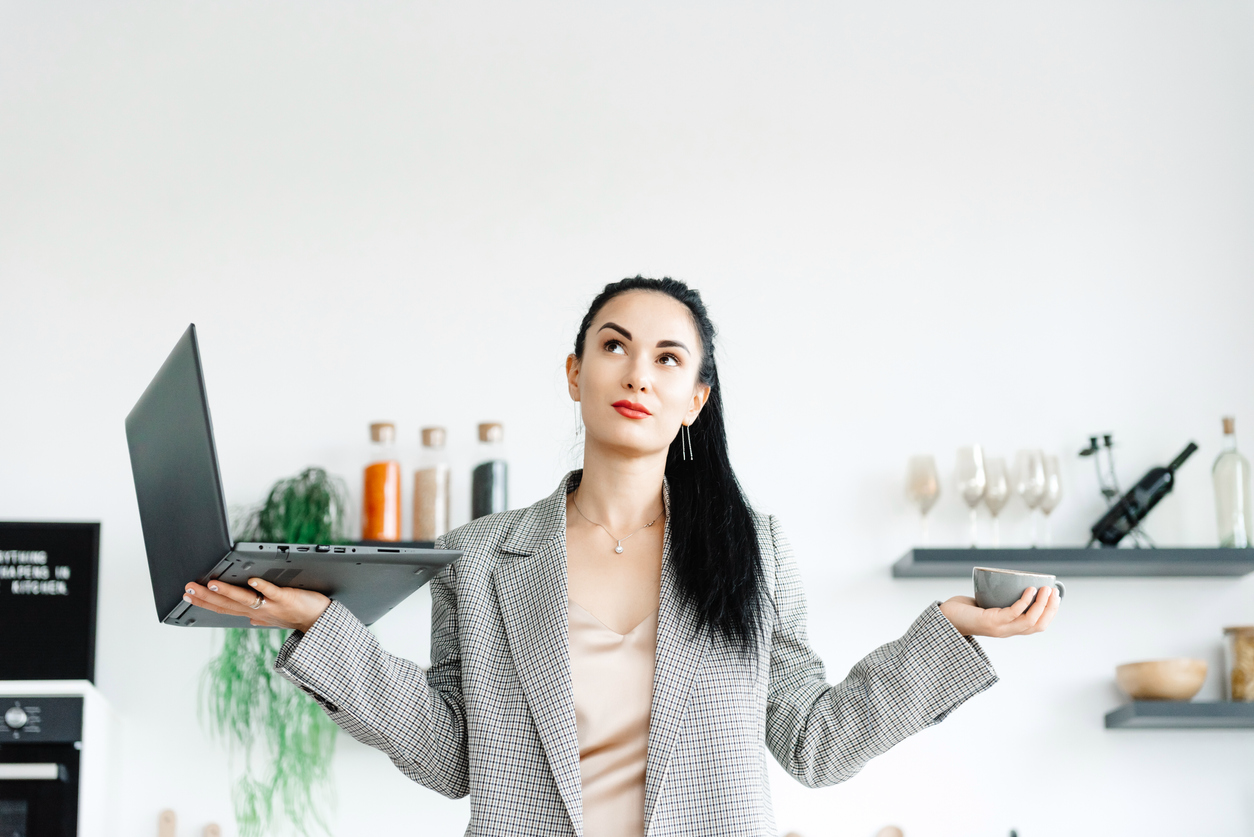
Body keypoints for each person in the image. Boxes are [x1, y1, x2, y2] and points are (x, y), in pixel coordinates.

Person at [183, 277, 1061, 837]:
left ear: (694, 398)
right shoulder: (480, 557)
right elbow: (454, 753)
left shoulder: (752, 550)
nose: (638, 373)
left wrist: (944, 635)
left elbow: (813, 741)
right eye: (615, 346)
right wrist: (324, 629)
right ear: (575, 373)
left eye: (667, 358)